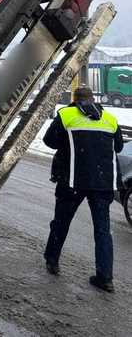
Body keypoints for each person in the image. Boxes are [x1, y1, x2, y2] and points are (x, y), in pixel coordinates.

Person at [43, 86, 124, 292]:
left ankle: (52, 261)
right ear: (92, 99)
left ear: (74, 100)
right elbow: (119, 147)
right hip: (103, 182)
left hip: (73, 180)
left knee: (61, 221)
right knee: (103, 230)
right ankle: (105, 278)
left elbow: (49, 141)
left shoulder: (67, 114)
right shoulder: (110, 119)